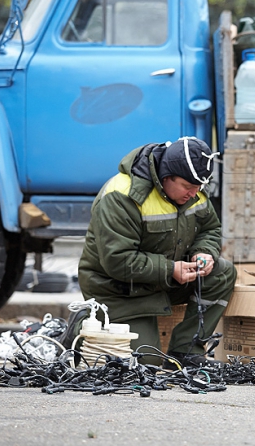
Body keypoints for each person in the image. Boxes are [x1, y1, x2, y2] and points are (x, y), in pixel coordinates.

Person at [78, 137, 236, 368]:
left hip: (162, 281)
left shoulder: (194, 188)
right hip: (119, 290)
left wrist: (204, 252)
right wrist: (171, 269)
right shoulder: (121, 195)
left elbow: (210, 228)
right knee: (145, 362)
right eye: (188, 187)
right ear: (166, 176)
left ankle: (186, 351)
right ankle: (80, 327)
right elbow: (118, 260)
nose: (194, 194)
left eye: (198, 188)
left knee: (222, 272)